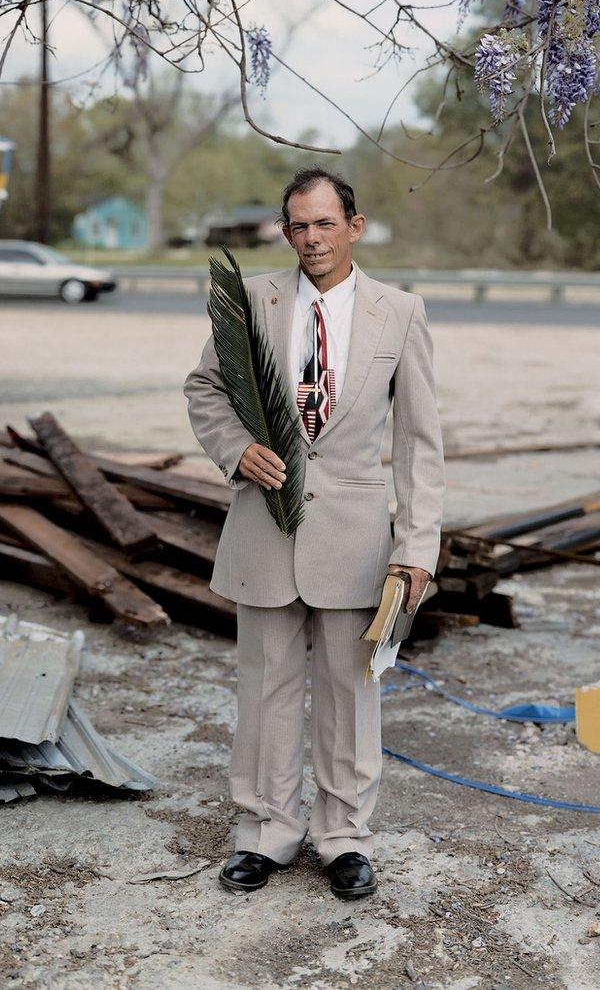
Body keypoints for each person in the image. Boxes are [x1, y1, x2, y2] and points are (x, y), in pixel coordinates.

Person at [182, 167, 445, 900]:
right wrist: (234, 447)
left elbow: (421, 441)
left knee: (349, 693)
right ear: (285, 230)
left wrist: (417, 547)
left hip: (356, 537)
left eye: (325, 223)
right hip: (263, 529)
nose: (311, 238)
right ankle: (264, 831)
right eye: (298, 225)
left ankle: (343, 838)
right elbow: (204, 387)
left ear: (353, 227)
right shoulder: (252, 303)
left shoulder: (401, 312)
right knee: (264, 686)